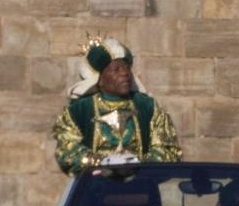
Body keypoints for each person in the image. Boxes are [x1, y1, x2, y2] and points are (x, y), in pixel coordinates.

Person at [52, 36, 182, 175]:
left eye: (127, 68)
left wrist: (138, 165)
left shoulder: (148, 107)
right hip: (95, 191)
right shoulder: (79, 111)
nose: (125, 73)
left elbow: (168, 148)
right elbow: (67, 152)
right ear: (100, 79)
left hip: (141, 190)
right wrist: (100, 163)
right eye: (116, 69)